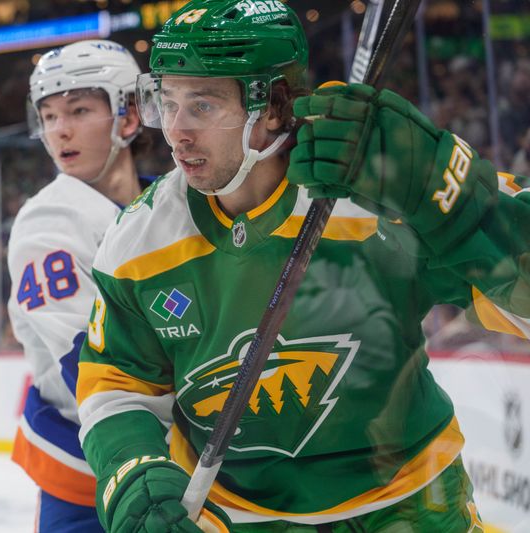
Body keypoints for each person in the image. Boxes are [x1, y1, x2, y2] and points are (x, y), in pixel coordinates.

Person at [76, 1, 530, 532]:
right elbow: (116, 386)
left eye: (202, 106)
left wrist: (454, 202)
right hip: (240, 517)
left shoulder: (378, 194)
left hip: (413, 506)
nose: (176, 132)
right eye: (167, 101)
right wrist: (133, 471)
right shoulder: (137, 243)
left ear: (273, 107)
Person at [6, 39, 152, 531]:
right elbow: (88, 364)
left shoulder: (171, 204)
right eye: (48, 115)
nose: (59, 130)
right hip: (92, 481)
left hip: (178, 463)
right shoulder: (48, 220)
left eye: (79, 109)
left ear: (128, 117)